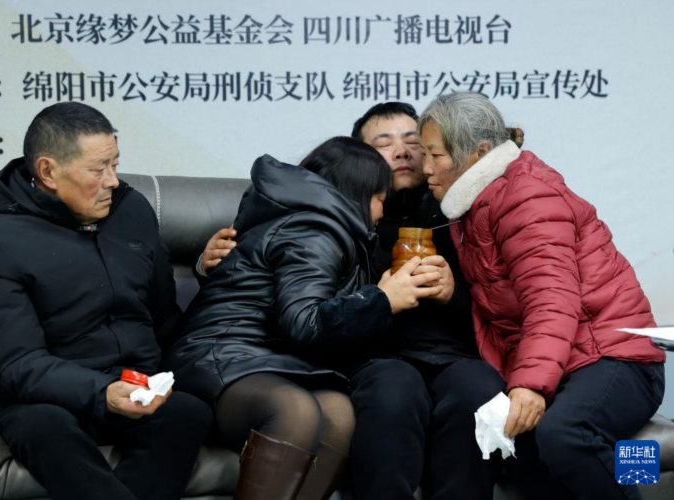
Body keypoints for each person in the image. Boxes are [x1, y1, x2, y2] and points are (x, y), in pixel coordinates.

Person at [197, 103, 508, 499]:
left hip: (451, 353)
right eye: (384, 144)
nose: (402, 152)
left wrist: (454, 294)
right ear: (359, 160)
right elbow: (267, 279)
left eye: (414, 142)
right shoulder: (340, 218)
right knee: (394, 387)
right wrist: (206, 264)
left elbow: (504, 306)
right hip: (371, 355)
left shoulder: (463, 211)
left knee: (478, 388)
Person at [0, 102, 212, 500]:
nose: (113, 180)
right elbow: (15, 365)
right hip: (43, 395)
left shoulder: (132, 211)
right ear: (47, 172)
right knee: (46, 429)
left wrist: (212, 277)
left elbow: (164, 318)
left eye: (115, 164)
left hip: (133, 384)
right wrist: (101, 392)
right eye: (98, 169)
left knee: (186, 412)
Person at [418, 91, 666, 499]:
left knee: (565, 433)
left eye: (436, 155)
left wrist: (531, 385)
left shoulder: (524, 197)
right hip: (567, 359)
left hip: (615, 356)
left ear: (479, 153)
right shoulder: (474, 204)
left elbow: (551, 302)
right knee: (520, 446)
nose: (426, 168)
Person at [166, 137, 443, 500]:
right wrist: (382, 301)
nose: (380, 213)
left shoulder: (315, 222)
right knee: (295, 411)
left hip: (265, 360)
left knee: (340, 414)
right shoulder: (315, 230)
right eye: (379, 200)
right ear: (357, 195)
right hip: (220, 357)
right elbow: (304, 324)